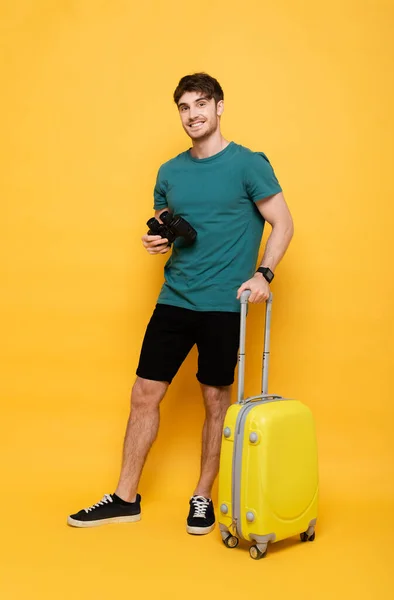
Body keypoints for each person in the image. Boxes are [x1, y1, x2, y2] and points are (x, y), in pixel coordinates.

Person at [67, 73, 294, 534]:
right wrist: (158, 240)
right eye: (185, 108)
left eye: (201, 104)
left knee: (215, 400)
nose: (193, 115)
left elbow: (283, 223)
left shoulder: (249, 164)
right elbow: (165, 224)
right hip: (175, 299)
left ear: (220, 107)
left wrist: (263, 274)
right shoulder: (170, 171)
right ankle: (125, 497)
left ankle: (202, 497)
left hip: (225, 304)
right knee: (143, 395)